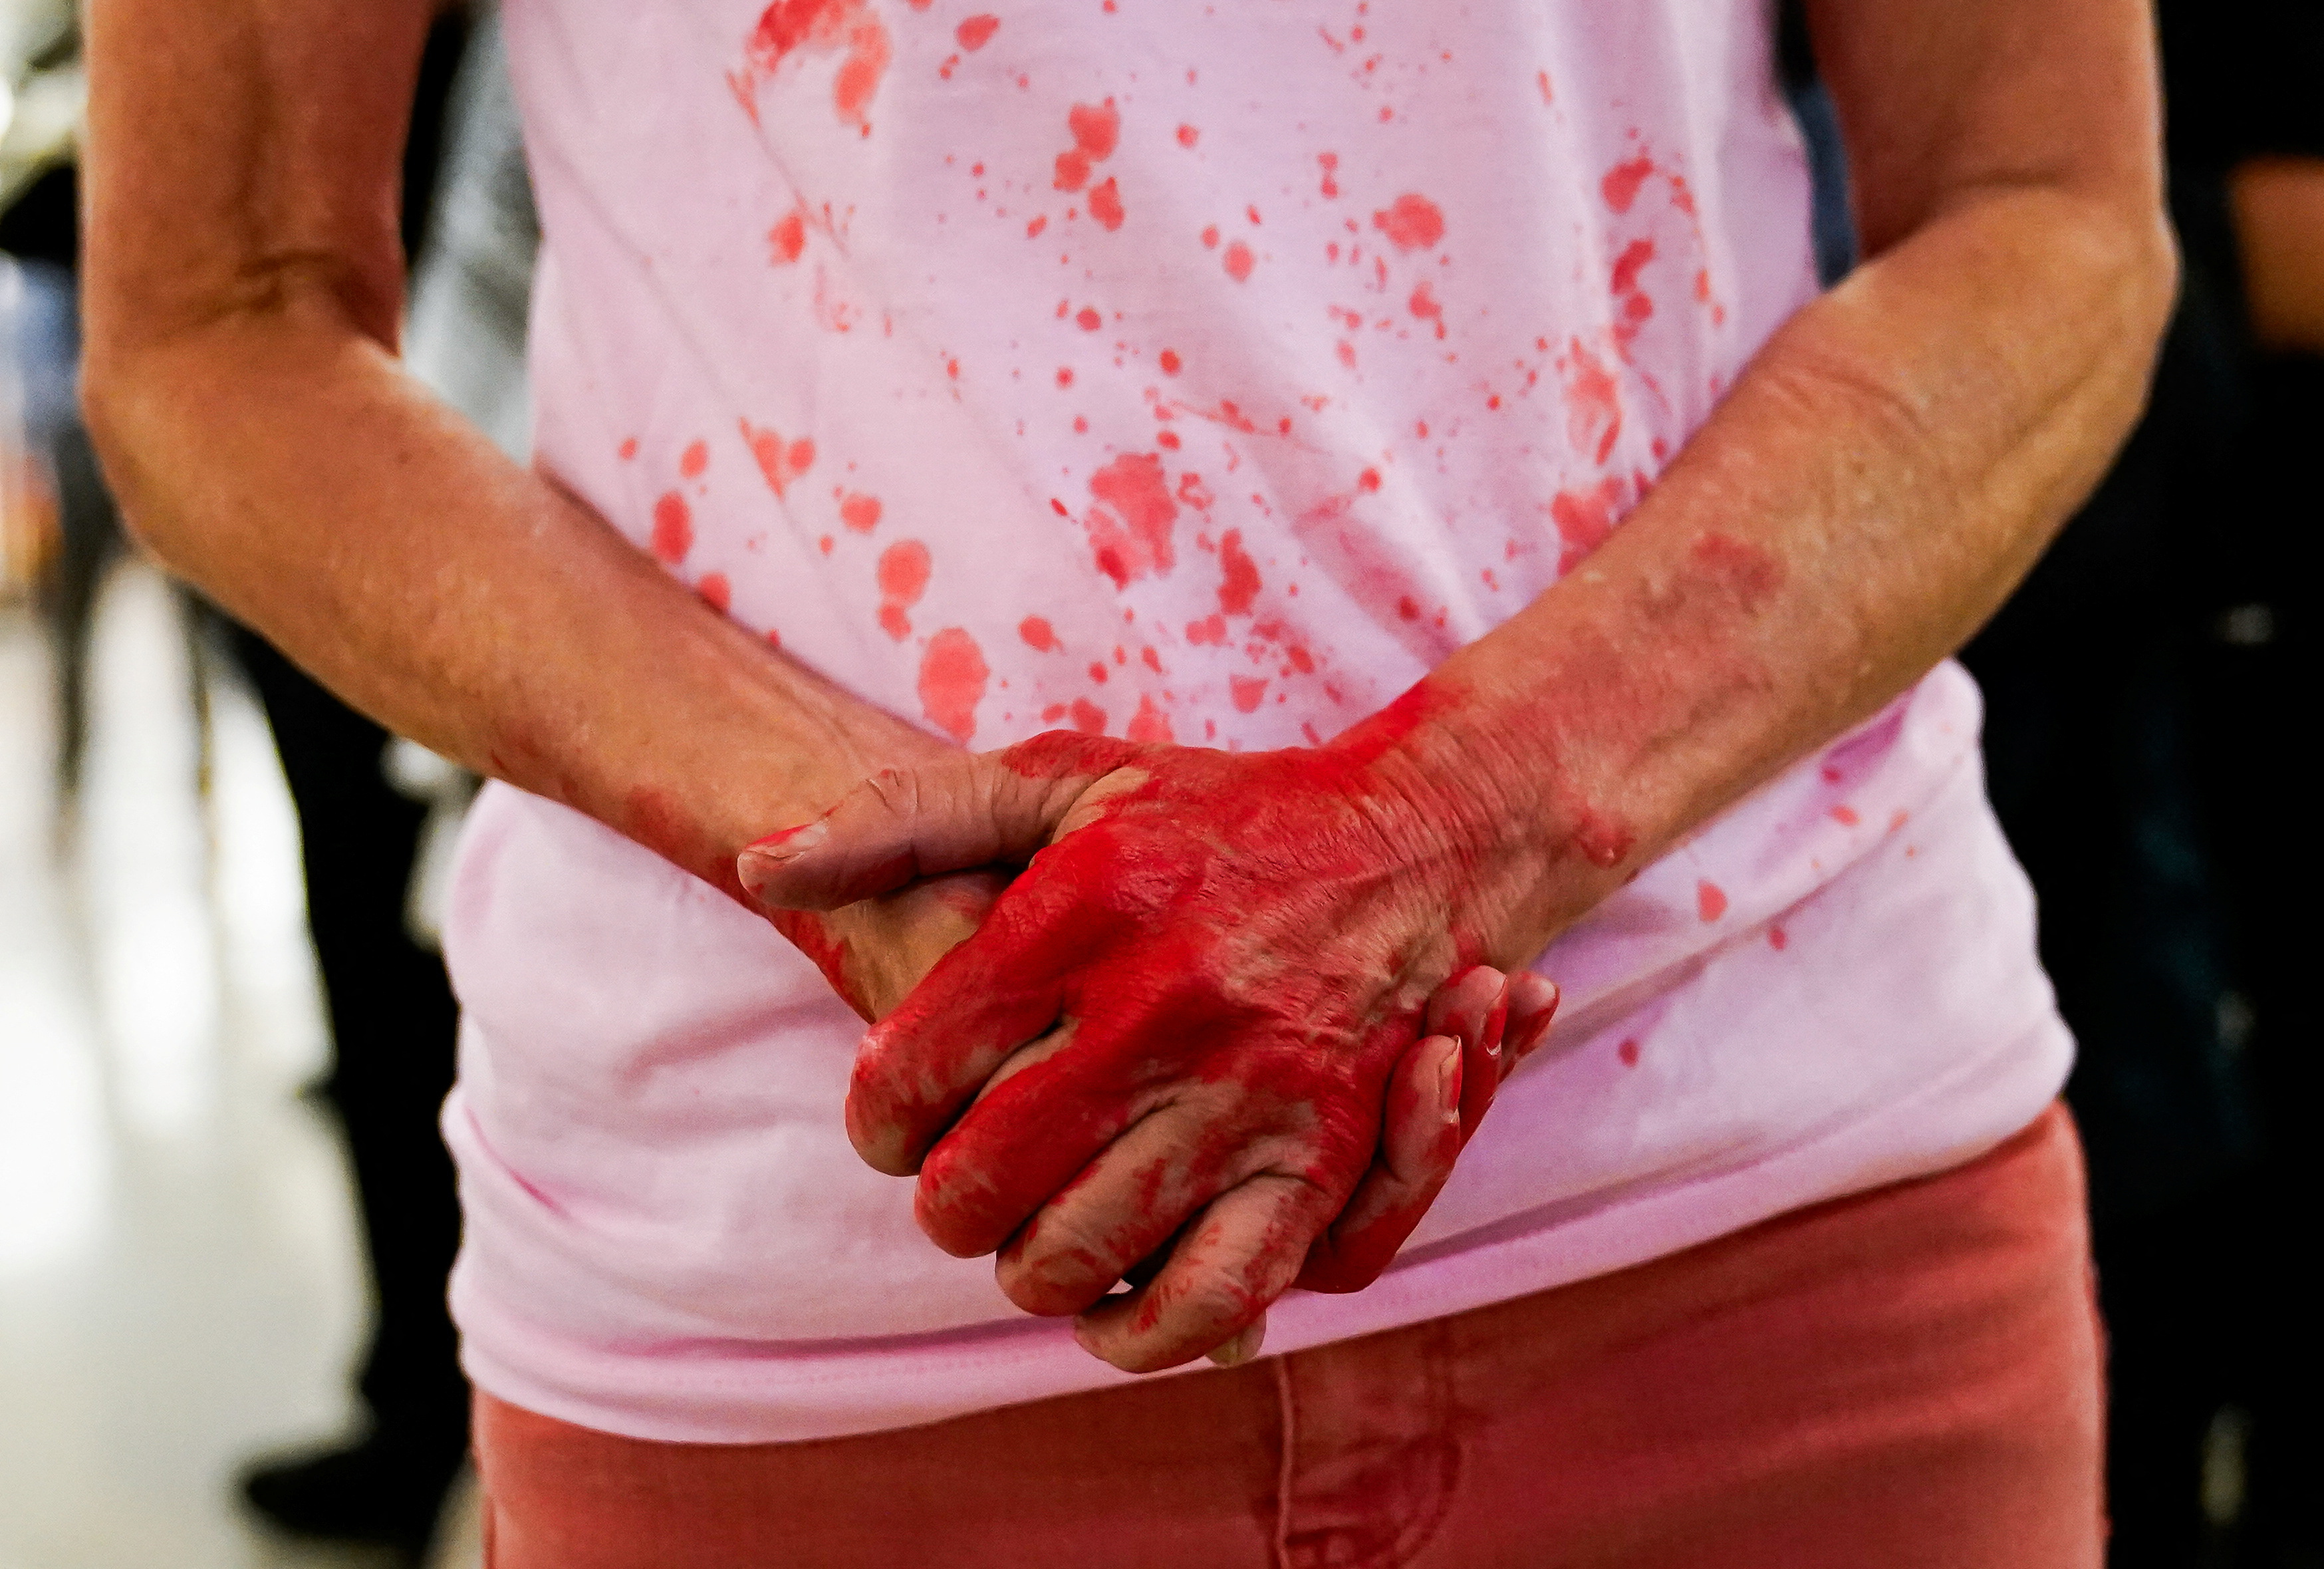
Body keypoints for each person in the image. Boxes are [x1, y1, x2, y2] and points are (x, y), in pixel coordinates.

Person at [77, 0, 2172, 1562]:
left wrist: (1449, 823)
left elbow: (2043, 205)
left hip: (1777, 1226)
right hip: (810, 1308)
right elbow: (222, 326)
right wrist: (854, 857)